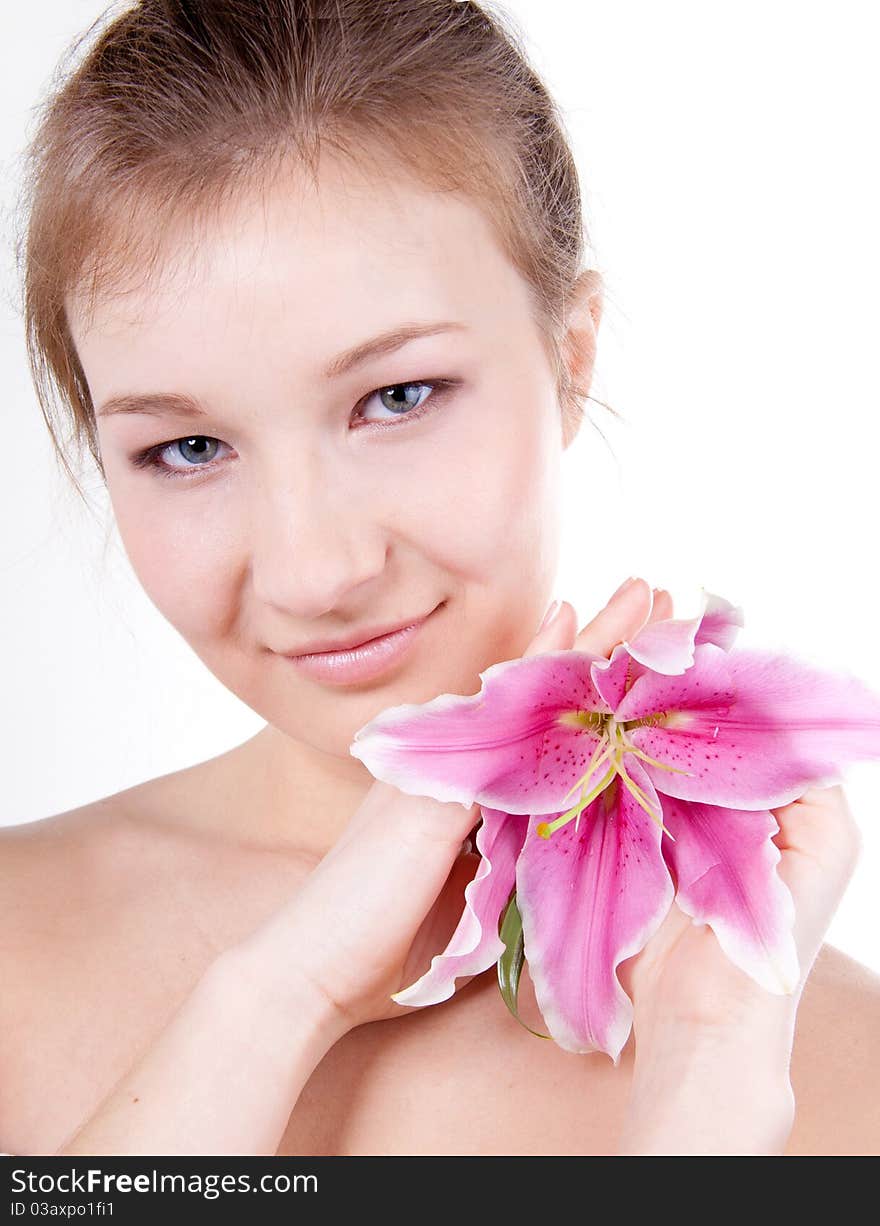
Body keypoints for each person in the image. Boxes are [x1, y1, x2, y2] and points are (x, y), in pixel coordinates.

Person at [2, 0, 878, 1157]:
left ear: (570, 358)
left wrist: (704, 1107)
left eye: (397, 397)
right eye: (188, 448)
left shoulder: (831, 1068)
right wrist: (275, 996)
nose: (316, 573)